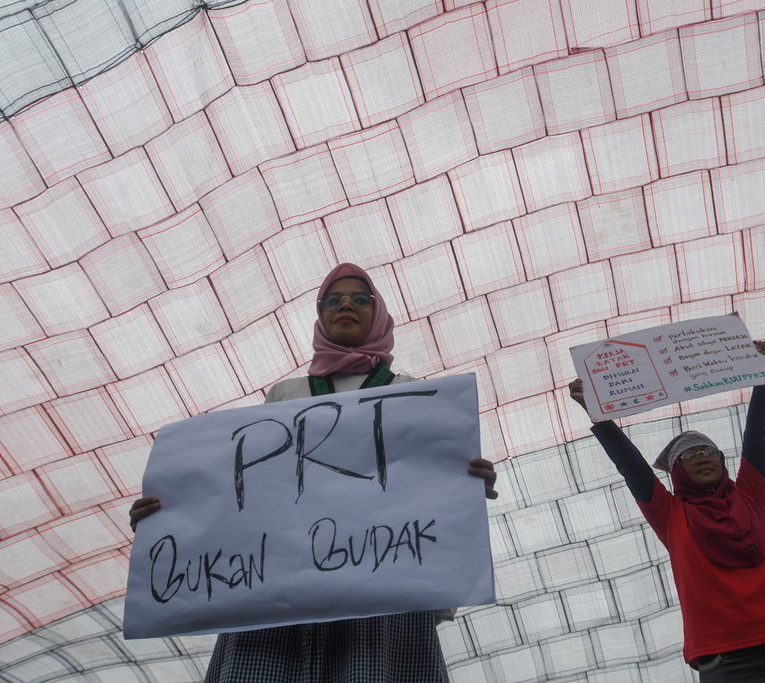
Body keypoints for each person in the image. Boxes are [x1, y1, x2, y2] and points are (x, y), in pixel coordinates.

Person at [129, 262, 498, 682]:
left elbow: (428, 495)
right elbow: (242, 489)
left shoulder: (414, 393)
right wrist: (169, 516)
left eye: (361, 299)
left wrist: (464, 485)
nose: (346, 305)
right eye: (333, 300)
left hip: (378, 599)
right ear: (320, 316)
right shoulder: (286, 395)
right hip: (277, 599)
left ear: (378, 314)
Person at [568, 340, 765, 682]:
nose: (701, 457)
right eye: (689, 455)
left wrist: (763, 379)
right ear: (677, 471)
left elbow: (758, 439)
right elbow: (632, 466)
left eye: (709, 451)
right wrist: (597, 414)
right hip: (727, 660)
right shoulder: (669, 513)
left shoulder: (751, 496)